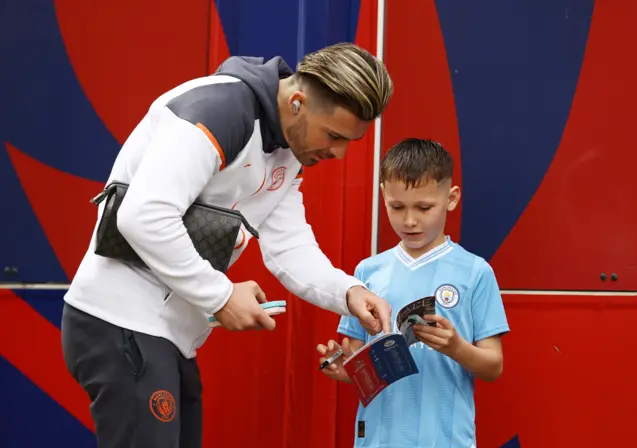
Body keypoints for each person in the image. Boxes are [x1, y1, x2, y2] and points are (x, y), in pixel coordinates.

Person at [61, 42, 394, 448]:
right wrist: (220, 296)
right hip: (118, 322)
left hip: (165, 335)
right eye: (334, 135)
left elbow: (291, 250)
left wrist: (349, 292)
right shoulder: (220, 109)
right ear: (297, 102)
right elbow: (143, 215)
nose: (339, 153)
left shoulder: (288, 152)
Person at [317, 138, 510, 448]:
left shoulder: (475, 272)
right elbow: (355, 357)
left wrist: (456, 347)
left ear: (451, 198)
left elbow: (493, 366)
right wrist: (342, 368)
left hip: (447, 440)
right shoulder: (367, 272)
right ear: (383, 196)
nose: (409, 220)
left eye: (424, 207)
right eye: (397, 207)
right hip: (378, 439)